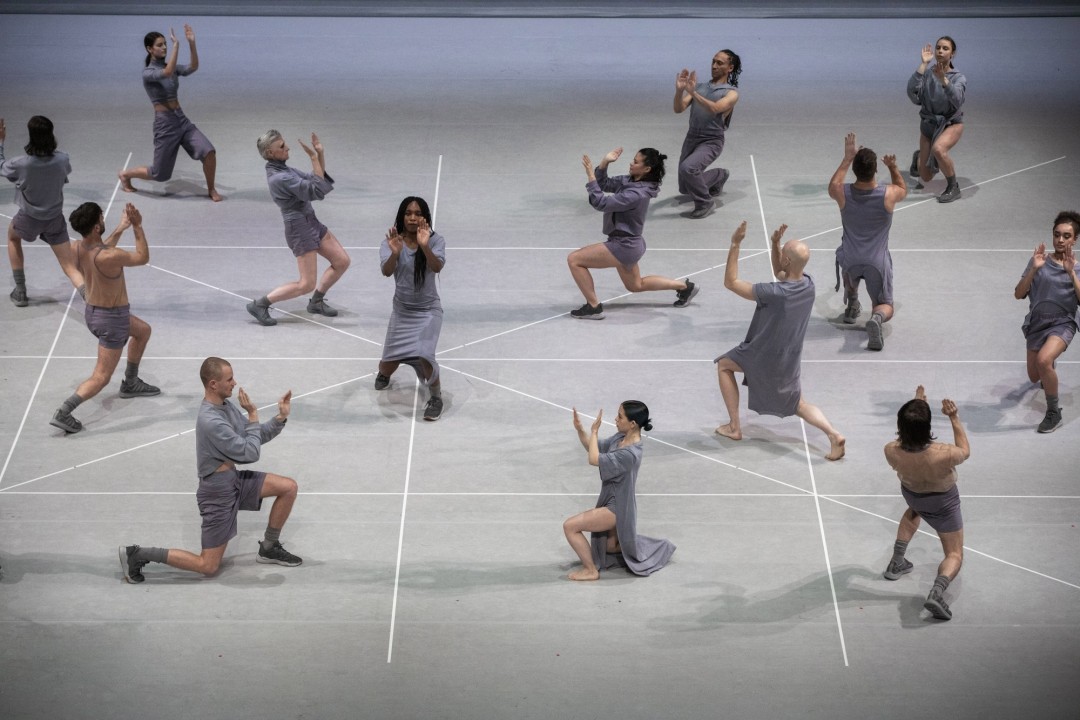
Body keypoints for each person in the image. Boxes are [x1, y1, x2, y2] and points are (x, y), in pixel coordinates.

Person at [119, 356, 301, 582]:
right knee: (208, 565)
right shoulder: (211, 420)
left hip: (234, 480)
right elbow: (250, 453)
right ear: (213, 384)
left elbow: (252, 437)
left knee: (288, 487)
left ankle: (269, 547)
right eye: (229, 379)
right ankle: (138, 554)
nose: (234, 383)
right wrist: (253, 416)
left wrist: (280, 418)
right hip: (217, 493)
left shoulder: (225, 407)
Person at [714, 221, 845, 460]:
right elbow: (781, 273)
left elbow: (730, 282)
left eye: (783, 253)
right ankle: (833, 434)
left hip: (762, 354)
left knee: (724, 365)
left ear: (786, 261)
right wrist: (776, 244)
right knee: (799, 404)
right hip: (789, 358)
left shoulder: (774, 293)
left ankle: (734, 427)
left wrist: (735, 244)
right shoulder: (808, 284)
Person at [50, 202, 159, 434]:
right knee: (101, 377)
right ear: (97, 227)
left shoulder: (79, 247)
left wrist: (121, 227)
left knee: (142, 331)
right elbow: (142, 257)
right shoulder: (110, 256)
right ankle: (64, 412)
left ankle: (131, 382)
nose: (103, 218)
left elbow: (101, 248)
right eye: (101, 217)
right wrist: (137, 226)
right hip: (112, 320)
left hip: (93, 312)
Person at [566, 147, 698, 319]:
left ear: (647, 169)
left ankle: (593, 307)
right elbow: (604, 184)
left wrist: (591, 175)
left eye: (636, 162)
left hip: (623, 245)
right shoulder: (631, 181)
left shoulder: (636, 194)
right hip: (632, 244)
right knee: (636, 285)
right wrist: (605, 163)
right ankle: (685, 287)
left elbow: (601, 203)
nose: (631, 163)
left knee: (575, 260)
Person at [882, 386, 970, 621]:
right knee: (954, 554)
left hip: (913, 495)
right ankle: (937, 593)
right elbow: (965, 450)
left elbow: (909, 434)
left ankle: (897, 562)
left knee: (913, 511)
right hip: (943, 503)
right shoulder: (945, 454)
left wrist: (917, 403)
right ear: (928, 427)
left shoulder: (890, 450)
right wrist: (953, 417)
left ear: (900, 425)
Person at [247, 130, 350, 326]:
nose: (287, 148)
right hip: (299, 228)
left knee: (341, 261)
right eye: (282, 146)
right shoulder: (280, 178)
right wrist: (313, 157)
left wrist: (319, 154)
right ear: (270, 153)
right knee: (306, 284)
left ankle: (316, 302)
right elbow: (317, 190)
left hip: (311, 221)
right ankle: (260, 304)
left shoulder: (285, 170)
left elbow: (316, 179)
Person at [563, 402, 675, 581]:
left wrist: (594, 431)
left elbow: (594, 459)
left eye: (620, 416)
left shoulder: (630, 454)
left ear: (633, 424)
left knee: (570, 526)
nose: (616, 419)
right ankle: (631, 545)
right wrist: (580, 430)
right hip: (612, 500)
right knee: (609, 547)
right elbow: (593, 448)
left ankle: (590, 570)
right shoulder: (620, 438)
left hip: (618, 507)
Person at [119, 25, 221, 202]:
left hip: (182, 120)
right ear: (149, 49)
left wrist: (191, 43)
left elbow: (193, 67)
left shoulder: (170, 67)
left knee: (209, 152)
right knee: (160, 174)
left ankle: (211, 189)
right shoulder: (148, 73)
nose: (164, 47)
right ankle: (126, 175)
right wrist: (176, 47)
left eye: (165, 44)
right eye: (160, 45)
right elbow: (166, 73)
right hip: (165, 125)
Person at [827, 132, 908, 351]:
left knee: (843, 255)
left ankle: (852, 304)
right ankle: (877, 318)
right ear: (875, 170)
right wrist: (893, 167)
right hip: (876, 263)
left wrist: (847, 158)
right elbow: (902, 189)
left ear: (854, 170)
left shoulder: (842, 192)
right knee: (885, 304)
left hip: (851, 260)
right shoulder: (888, 194)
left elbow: (833, 185)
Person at [0, 115, 83, 306]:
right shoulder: (62, 159)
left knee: (13, 238)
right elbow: (65, 172)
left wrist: (1, 141)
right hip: (54, 219)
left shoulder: (21, 164)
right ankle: (93, 300)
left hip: (28, 218)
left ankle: (20, 291)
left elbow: (1, 165)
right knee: (70, 266)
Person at [376, 196, 446, 421]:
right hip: (402, 312)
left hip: (428, 311)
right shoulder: (392, 241)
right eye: (408, 213)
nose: (412, 218)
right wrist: (395, 253)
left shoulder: (435, 240)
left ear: (425, 217)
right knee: (386, 367)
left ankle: (436, 398)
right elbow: (386, 272)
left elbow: (437, 267)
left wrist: (425, 246)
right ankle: (386, 373)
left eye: (417, 213)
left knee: (425, 354)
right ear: (402, 216)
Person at [1013, 210, 1080, 433]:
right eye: (1057, 234)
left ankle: (1053, 412)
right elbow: (1018, 293)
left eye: (1067, 236)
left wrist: (1071, 273)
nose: (1060, 240)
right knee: (1034, 376)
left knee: (1043, 361)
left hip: (1063, 322)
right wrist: (1034, 268)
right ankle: (1048, 367)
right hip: (1037, 323)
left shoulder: (1076, 267)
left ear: (1074, 239)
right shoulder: (1039, 261)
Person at [673, 49, 741, 219]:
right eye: (713, 61)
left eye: (720, 63)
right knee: (685, 187)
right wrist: (680, 91)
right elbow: (678, 109)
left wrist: (693, 93)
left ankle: (705, 203)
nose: (714, 66)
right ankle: (719, 175)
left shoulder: (731, 93)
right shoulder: (700, 87)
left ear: (730, 68)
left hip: (711, 140)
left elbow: (715, 108)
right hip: (692, 137)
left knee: (688, 168)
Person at [907, 36, 965, 203]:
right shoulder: (927, 73)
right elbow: (912, 93)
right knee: (926, 177)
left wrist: (943, 80)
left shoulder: (959, 78)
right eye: (938, 47)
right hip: (928, 125)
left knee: (939, 149)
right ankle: (919, 156)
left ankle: (953, 187)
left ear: (952, 53)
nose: (940, 51)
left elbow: (957, 100)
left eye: (945, 48)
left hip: (950, 124)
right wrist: (923, 64)